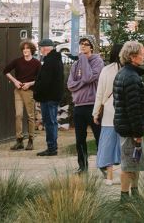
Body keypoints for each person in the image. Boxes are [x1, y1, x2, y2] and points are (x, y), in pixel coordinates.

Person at [112, 41, 144, 200]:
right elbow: (133, 108)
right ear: (133, 57)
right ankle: (125, 197)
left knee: (136, 161)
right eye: (142, 53)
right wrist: (137, 132)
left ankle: (135, 193)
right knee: (129, 164)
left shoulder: (123, 73)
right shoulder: (131, 77)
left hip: (127, 127)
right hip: (131, 130)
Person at [66, 37, 102, 172]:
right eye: (81, 44)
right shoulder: (76, 64)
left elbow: (88, 77)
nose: (83, 46)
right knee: (80, 138)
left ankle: (103, 165)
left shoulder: (97, 62)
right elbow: (70, 84)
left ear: (92, 47)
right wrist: (82, 83)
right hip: (78, 106)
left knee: (99, 136)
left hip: (93, 105)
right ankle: (82, 166)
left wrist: (84, 60)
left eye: (86, 44)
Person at [91, 46, 123, 184]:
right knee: (125, 144)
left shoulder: (106, 70)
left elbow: (100, 93)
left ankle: (109, 176)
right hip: (124, 112)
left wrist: (96, 112)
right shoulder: (131, 70)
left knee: (108, 144)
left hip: (109, 111)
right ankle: (125, 177)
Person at [3, 41, 41, 151]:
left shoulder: (36, 63)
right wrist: (15, 81)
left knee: (30, 116)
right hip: (18, 90)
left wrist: (29, 83)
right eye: (23, 48)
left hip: (29, 91)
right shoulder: (17, 61)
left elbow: (40, 79)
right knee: (18, 115)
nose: (25, 50)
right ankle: (19, 140)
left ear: (31, 50)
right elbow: (5, 71)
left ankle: (30, 140)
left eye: (27, 48)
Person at [33, 39, 64, 156]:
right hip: (54, 96)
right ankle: (53, 146)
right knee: (53, 122)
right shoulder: (56, 60)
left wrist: (37, 92)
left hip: (48, 97)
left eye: (40, 48)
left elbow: (44, 81)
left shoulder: (50, 61)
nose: (40, 50)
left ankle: (51, 147)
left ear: (45, 48)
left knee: (49, 122)